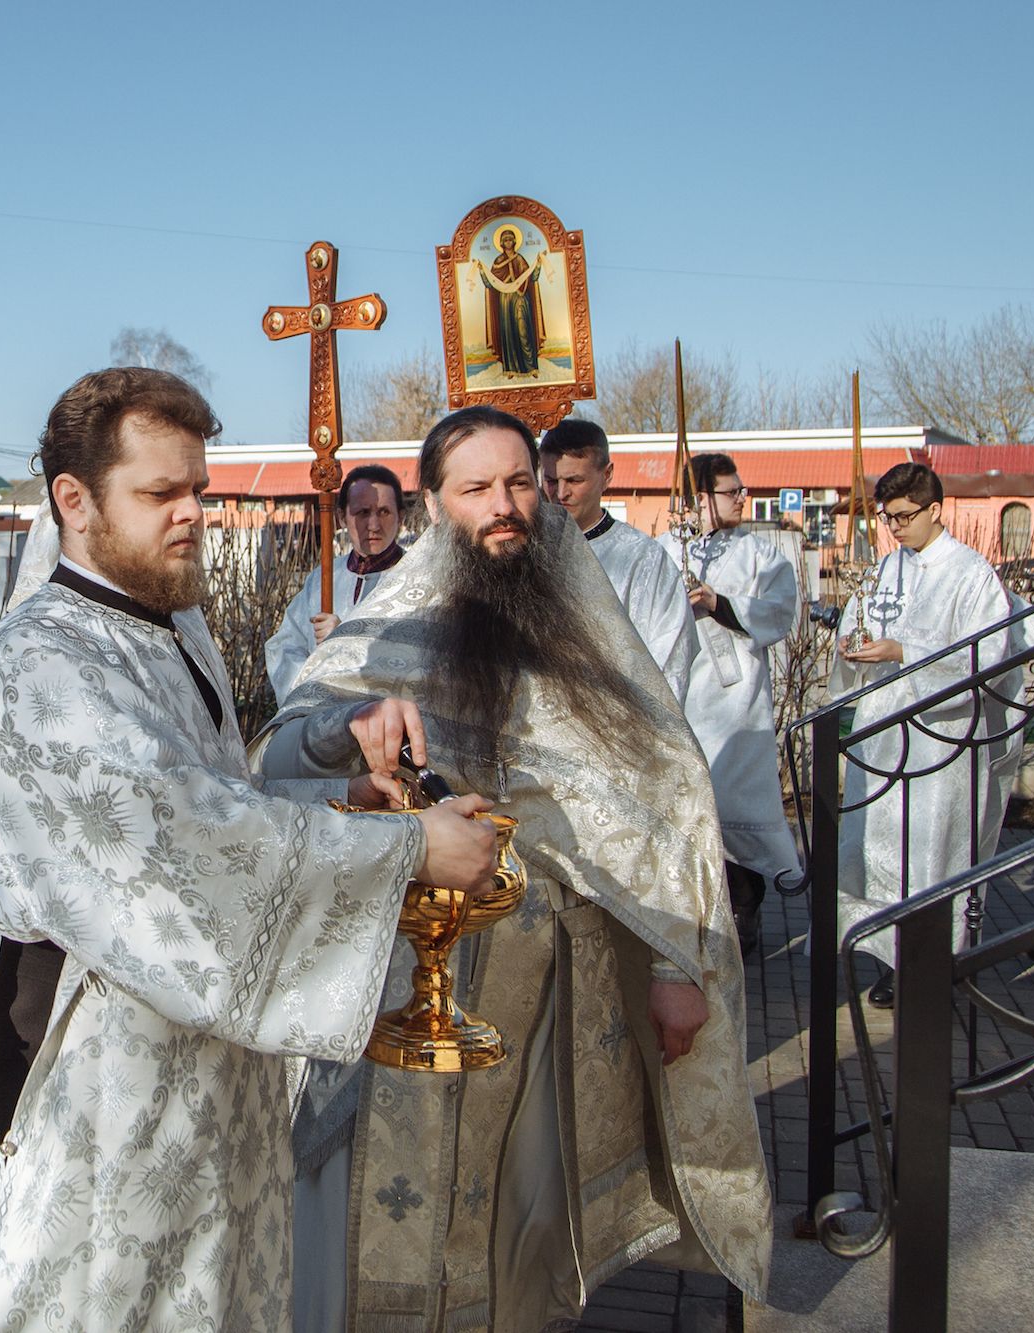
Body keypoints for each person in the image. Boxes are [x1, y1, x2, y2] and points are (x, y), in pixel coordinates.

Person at [0, 368, 499, 1331]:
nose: (193, 513)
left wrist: (339, 763)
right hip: (77, 1113)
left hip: (176, 1093)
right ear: (73, 501)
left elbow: (207, 791)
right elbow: (177, 855)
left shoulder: (168, 625)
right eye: (161, 494)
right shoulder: (44, 670)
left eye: (197, 487)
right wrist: (408, 851)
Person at [256, 405, 773, 1332]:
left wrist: (674, 965)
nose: (505, 506)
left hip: (542, 993)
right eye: (477, 488)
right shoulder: (391, 620)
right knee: (380, 1214)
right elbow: (277, 757)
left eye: (519, 482)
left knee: (519, 1220)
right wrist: (346, 731)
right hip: (402, 981)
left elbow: (665, 787)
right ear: (433, 505)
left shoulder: (587, 624)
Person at [832, 461, 1020, 1006]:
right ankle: (886, 954)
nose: (896, 528)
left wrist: (905, 653)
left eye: (906, 516)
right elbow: (858, 623)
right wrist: (854, 646)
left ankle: (930, 961)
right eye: (888, 518)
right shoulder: (887, 569)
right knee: (876, 847)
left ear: (936, 509)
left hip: (940, 740)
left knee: (930, 853)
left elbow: (986, 658)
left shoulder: (972, 575)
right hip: (882, 733)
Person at [656, 452, 804, 956]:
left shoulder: (762, 556)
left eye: (742, 490)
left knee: (735, 805)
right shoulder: (662, 550)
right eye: (731, 491)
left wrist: (719, 603)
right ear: (699, 499)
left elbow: (780, 611)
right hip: (679, 699)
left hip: (736, 704)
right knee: (687, 810)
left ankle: (746, 906)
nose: (743, 499)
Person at [539, 417, 695, 702]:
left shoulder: (643, 560)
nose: (561, 493)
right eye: (551, 481)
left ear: (607, 475)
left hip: (619, 725)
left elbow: (669, 657)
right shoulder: (527, 552)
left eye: (575, 480)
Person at [264, 462, 408, 700]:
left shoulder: (414, 579)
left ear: (400, 517)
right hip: (321, 718)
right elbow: (284, 648)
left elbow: (416, 662)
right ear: (341, 517)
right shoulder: (324, 579)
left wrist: (345, 638)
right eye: (362, 512)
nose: (373, 525)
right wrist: (314, 695)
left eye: (384, 511)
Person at [478, 224, 543, 376]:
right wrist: (482, 271)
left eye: (510, 239)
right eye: (505, 240)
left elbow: (532, 277)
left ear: (514, 241)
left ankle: (531, 366)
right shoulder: (498, 261)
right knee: (508, 332)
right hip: (505, 301)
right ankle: (510, 369)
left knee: (523, 329)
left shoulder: (520, 259)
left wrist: (538, 265)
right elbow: (490, 282)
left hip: (520, 298)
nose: (508, 242)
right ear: (501, 243)